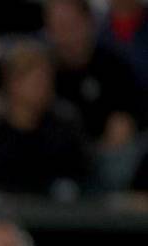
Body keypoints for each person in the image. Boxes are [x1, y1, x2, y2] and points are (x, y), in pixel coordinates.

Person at [0, 42, 90, 198]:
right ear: (13, 84)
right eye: (37, 83)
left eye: (48, 81)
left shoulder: (64, 127)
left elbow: (82, 179)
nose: (45, 89)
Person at [45, 0, 145, 149]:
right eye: (59, 26)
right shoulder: (44, 73)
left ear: (88, 22)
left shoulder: (114, 64)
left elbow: (134, 110)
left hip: (112, 153)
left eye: (72, 24)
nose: (66, 34)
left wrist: (126, 122)